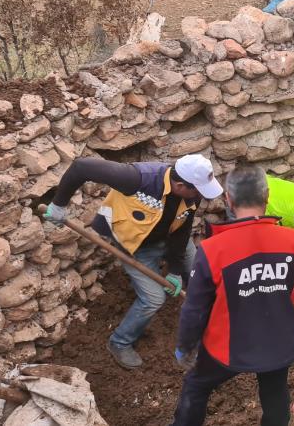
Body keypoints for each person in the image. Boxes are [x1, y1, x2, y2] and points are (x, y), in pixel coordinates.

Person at [42, 154, 223, 369]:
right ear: (180, 184)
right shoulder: (138, 178)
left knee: (198, 271)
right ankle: (119, 342)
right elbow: (82, 166)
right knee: (154, 299)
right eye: (197, 190)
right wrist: (59, 204)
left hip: (168, 236)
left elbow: (182, 230)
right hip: (136, 246)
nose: (201, 196)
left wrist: (174, 270)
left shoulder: (193, 193)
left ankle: (205, 319)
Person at [171, 164, 294, 426]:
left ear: (229, 199)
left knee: (196, 386)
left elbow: (195, 309)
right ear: (268, 196)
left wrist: (185, 346)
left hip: (228, 347)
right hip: (279, 342)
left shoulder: (211, 250)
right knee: (275, 393)